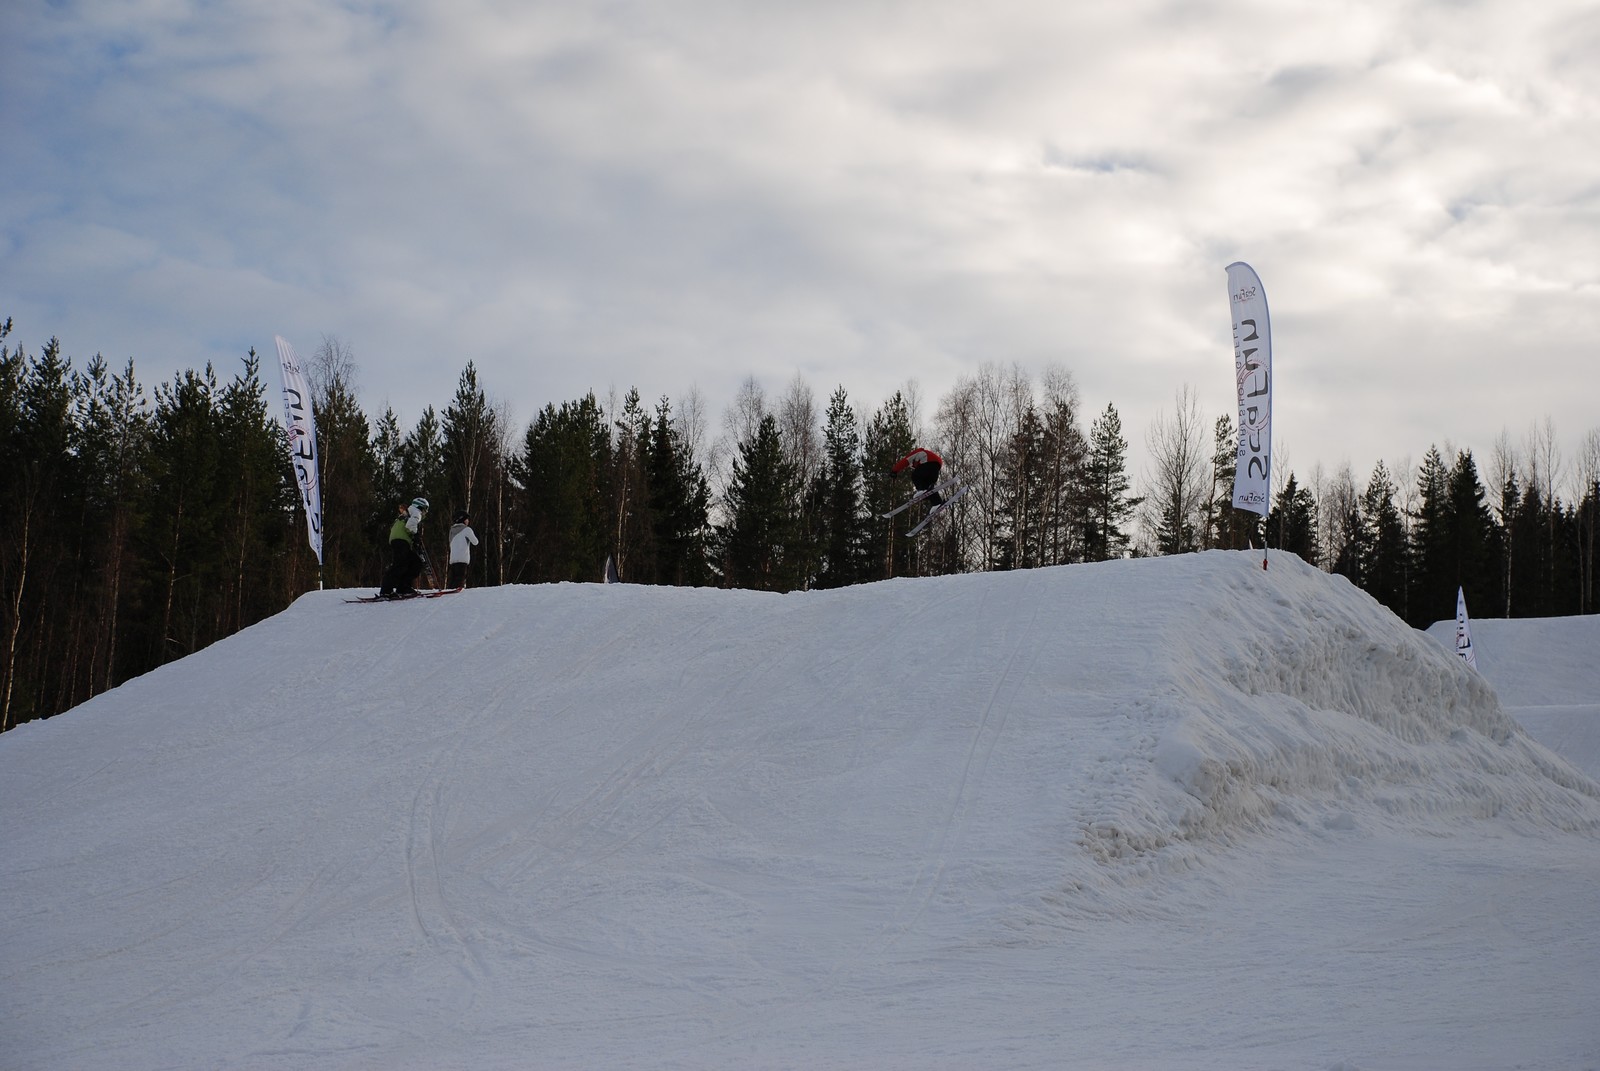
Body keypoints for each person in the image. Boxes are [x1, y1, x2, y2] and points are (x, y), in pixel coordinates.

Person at [378, 496, 429, 597]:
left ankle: (403, 587)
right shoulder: (416, 512)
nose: (425, 513)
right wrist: (416, 536)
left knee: (415, 562)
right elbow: (410, 526)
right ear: (421, 507)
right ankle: (386, 590)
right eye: (425, 510)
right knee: (400, 564)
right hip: (401, 540)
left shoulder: (408, 512)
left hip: (398, 539)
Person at [448, 510, 479, 590]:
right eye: (467, 519)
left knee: (453, 579)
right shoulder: (467, 529)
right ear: (463, 519)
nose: (468, 521)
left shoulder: (451, 530)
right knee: (460, 578)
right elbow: (475, 542)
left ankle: (449, 591)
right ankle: (457, 592)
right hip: (462, 558)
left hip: (453, 559)